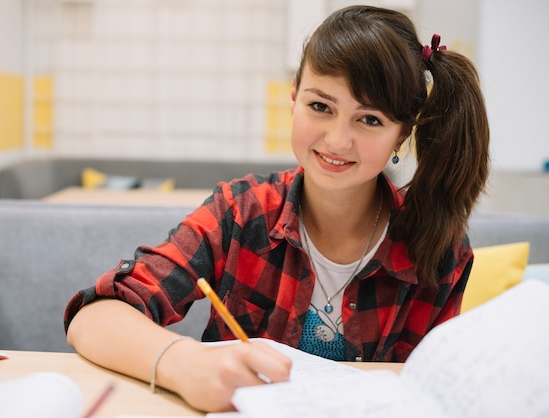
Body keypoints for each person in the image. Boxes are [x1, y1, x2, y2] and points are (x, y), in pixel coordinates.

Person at [64, 4, 490, 413]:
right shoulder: (240, 211)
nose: (337, 141)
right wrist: (181, 363)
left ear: (401, 135)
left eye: (370, 120)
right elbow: (94, 316)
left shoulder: (437, 249)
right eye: (320, 107)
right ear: (293, 98)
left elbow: (432, 392)